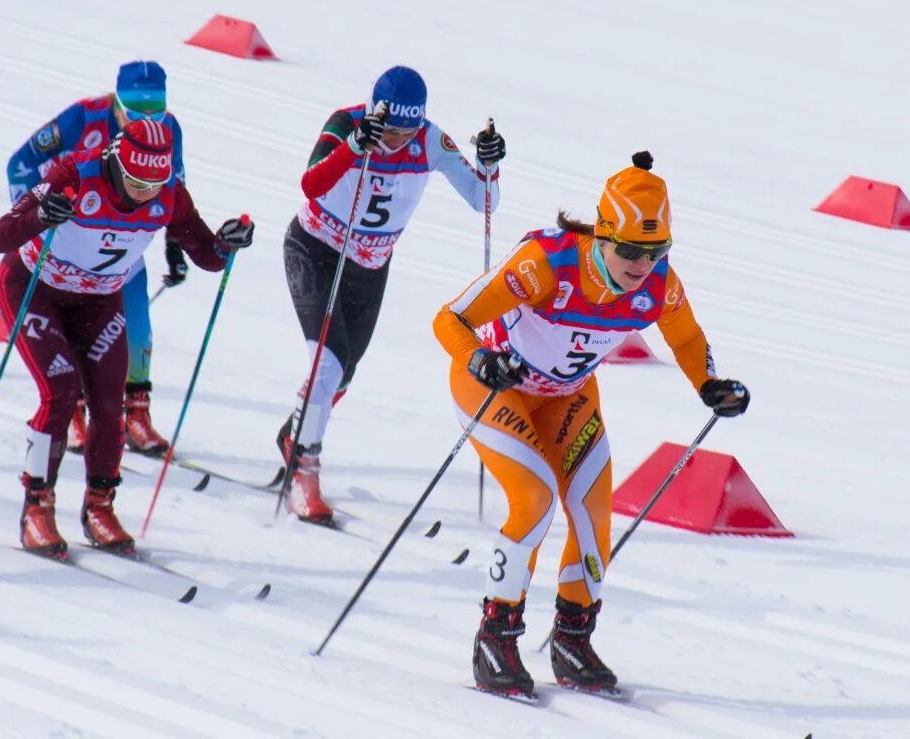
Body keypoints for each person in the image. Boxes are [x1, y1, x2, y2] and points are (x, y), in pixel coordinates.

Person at [432, 152, 751, 697]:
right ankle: (496, 637)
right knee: (533, 501)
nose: (640, 264)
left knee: (594, 511)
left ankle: (572, 638)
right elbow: (450, 318)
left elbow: (687, 338)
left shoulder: (658, 286)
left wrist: (709, 384)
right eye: (629, 250)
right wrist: (480, 361)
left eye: (655, 251)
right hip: (496, 391)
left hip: (568, 398)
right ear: (602, 236)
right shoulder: (545, 264)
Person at [0, 118, 255, 558]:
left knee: (111, 403)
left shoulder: (168, 194)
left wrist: (229, 245)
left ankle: (99, 506)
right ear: (115, 164)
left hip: (97, 301)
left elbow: (207, 254)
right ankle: (37, 506)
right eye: (134, 182)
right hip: (36, 289)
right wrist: (40, 216)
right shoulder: (74, 174)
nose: (144, 193)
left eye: (155, 183)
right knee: (60, 391)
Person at [278, 65, 507, 526]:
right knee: (328, 361)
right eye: (393, 130)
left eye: (410, 129)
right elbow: (311, 185)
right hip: (316, 251)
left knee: (343, 374)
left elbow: (484, 200)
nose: (400, 140)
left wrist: (489, 165)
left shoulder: (428, 140)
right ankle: (304, 468)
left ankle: (296, 433)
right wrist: (354, 148)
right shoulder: (345, 124)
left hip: (369, 267)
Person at [7, 60, 190, 457]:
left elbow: (175, 188)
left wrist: (175, 246)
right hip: (71, 246)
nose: (146, 121)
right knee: (73, 330)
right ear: (117, 103)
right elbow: (19, 165)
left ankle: (136, 415)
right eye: (135, 112)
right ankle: (73, 413)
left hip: (122, 250)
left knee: (138, 330)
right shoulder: (84, 117)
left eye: (156, 112)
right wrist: (29, 221)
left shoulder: (168, 130)